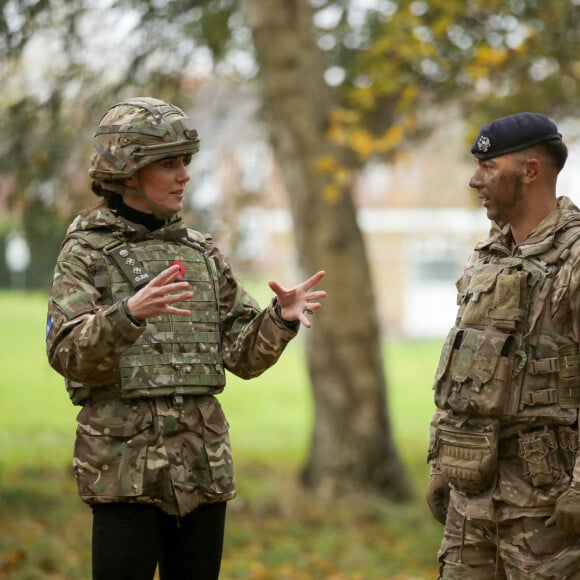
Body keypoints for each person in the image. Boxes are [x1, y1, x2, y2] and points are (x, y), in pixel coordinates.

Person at [45, 96, 326, 580]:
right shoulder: (85, 253)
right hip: (122, 472)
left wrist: (279, 319)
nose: (184, 175)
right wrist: (128, 316)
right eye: (168, 164)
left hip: (202, 468)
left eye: (185, 162)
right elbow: (69, 354)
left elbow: (242, 356)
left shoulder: (200, 253)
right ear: (128, 172)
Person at [426, 112, 580, 579]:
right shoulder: (486, 258)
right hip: (471, 502)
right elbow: (461, 365)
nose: (476, 180)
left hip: (546, 509)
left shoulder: (574, 257)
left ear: (531, 171)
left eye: (489, 166)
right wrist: (440, 460)